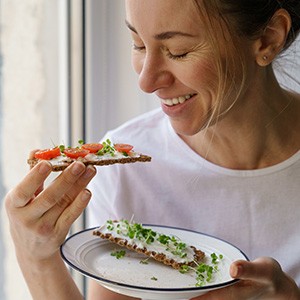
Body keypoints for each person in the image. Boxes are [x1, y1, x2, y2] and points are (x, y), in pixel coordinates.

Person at [5, 0, 300, 299]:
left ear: (268, 39)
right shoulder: (128, 176)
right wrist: (37, 259)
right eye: (138, 45)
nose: (146, 82)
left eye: (178, 51)